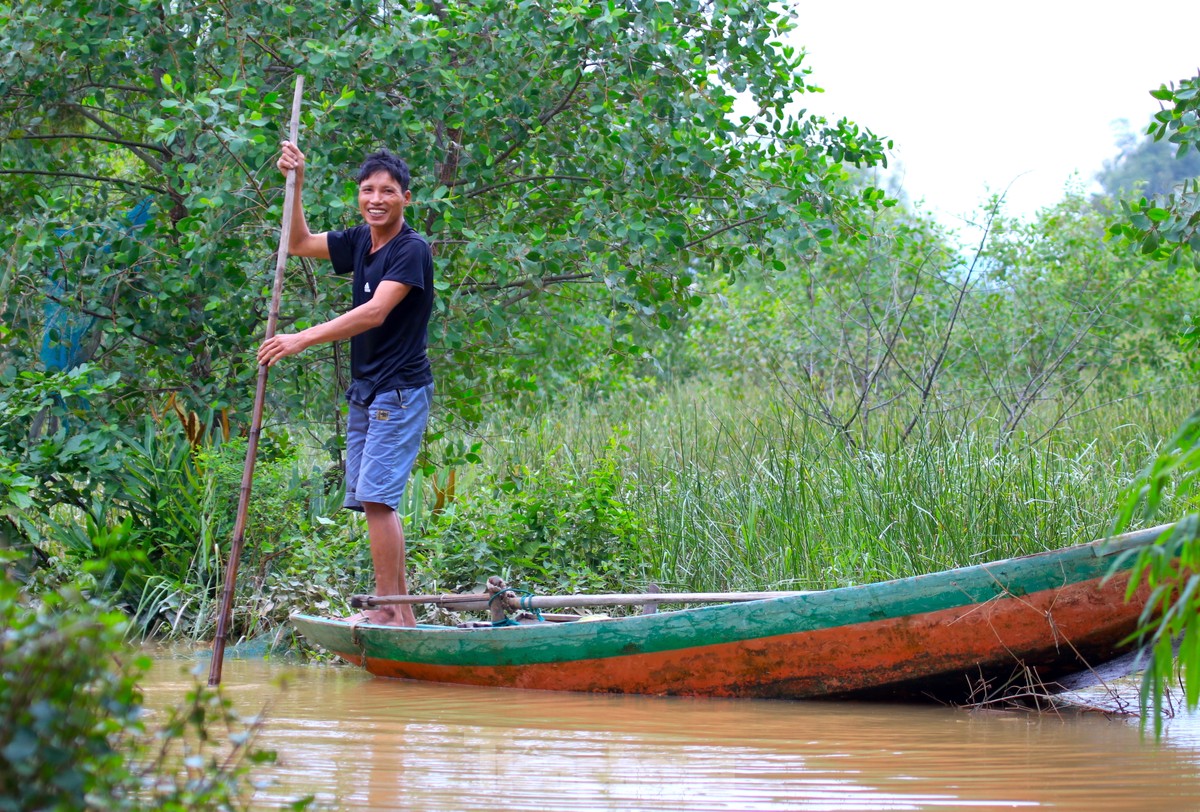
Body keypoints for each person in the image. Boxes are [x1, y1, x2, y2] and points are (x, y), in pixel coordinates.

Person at [258, 141, 434, 627]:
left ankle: (388, 611)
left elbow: (376, 311)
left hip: (399, 389)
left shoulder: (411, 248)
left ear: (406, 198)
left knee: (378, 499)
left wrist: (302, 338)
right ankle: (399, 615)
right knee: (371, 500)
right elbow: (298, 243)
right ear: (359, 196)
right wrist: (295, 182)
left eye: (388, 192)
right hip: (368, 388)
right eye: (367, 190)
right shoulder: (361, 240)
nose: (376, 199)